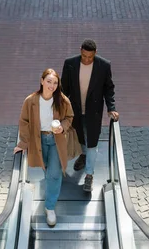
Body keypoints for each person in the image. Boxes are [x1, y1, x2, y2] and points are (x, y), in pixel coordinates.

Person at [14, 68, 74, 227]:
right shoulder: (31, 101)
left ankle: (50, 207)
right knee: (46, 169)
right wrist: (23, 144)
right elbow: (24, 122)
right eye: (49, 81)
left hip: (56, 139)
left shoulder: (62, 100)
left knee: (54, 174)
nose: (52, 85)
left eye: (55, 83)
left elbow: (69, 117)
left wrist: (62, 126)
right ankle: (49, 189)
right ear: (41, 81)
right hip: (38, 141)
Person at [61, 39, 119, 192]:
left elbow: (109, 88)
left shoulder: (104, 65)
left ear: (95, 53)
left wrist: (111, 107)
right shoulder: (70, 63)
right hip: (75, 110)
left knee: (92, 142)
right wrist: (58, 108)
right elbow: (64, 89)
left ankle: (89, 175)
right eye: (84, 56)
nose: (87, 59)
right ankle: (83, 155)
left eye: (90, 57)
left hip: (94, 112)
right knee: (80, 137)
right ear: (80, 50)